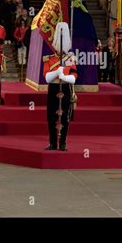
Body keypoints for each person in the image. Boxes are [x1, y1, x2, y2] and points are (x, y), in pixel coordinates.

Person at [43, 22, 77, 151]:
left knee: (65, 117)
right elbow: (46, 77)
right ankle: (52, 142)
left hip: (66, 88)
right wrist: (57, 72)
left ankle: (62, 142)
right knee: (51, 116)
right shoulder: (49, 59)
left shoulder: (70, 58)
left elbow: (74, 77)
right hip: (53, 88)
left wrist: (64, 77)